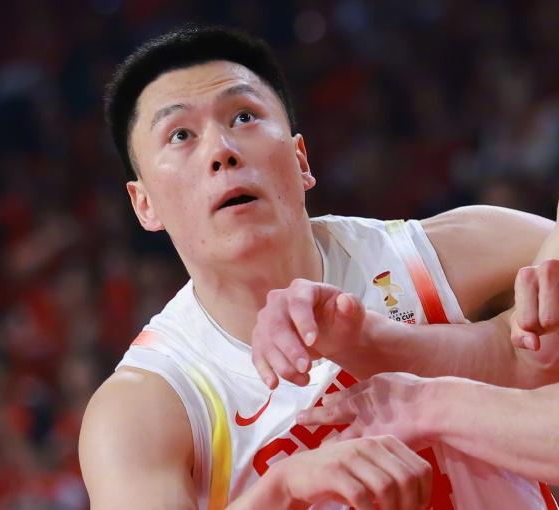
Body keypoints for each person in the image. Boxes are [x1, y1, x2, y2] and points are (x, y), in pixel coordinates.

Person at [79, 25, 555, 509]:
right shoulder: (145, 403)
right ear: (144, 205)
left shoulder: (441, 255)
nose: (221, 150)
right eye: (180, 135)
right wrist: (283, 489)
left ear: (300, 159)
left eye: (243, 116)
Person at [287, 208, 559, 487]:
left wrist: (431, 404)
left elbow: (525, 361)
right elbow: (520, 356)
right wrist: (376, 343)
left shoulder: (428, 250)